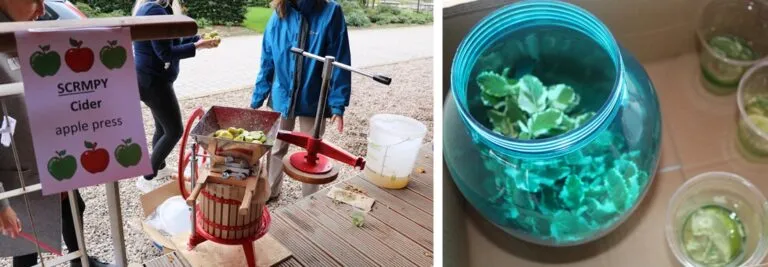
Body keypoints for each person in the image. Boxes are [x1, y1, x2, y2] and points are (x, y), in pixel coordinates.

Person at [0, 1, 112, 266]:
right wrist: (1, 203)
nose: (41, 9)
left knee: (72, 207)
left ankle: (81, 260)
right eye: (34, 0)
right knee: (25, 240)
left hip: (49, 156)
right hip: (17, 170)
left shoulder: (19, 31)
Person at [251, 0, 351, 199]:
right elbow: (267, 60)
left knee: (312, 152)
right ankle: (270, 191)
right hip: (281, 96)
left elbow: (340, 60)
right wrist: (257, 99)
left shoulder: (331, 12)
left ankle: (310, 201)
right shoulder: (279, 14)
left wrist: (338, 105)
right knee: (277, 147)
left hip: (314, 98)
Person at [132, 0, 218, 193]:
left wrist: (198, 39)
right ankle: (147, 177)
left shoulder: (155, 7)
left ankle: (159, 169)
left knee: (162, 128)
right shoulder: (155, 11)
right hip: (154, 82)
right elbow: (165, 54)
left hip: (149, 80)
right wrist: (198, 46)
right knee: (174, 130)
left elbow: (172, 42)